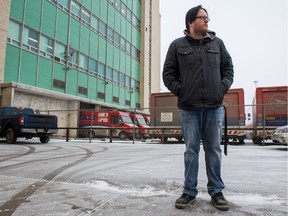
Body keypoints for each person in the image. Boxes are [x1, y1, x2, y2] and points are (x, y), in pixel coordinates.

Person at [162, 5, 234, 211]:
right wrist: (182, 91)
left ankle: (217, 192)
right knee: (191, 151)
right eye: (203, 17)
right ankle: (189, 192)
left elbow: (228, 68)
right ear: (191, 22)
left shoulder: (217, 44)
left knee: (213, 150)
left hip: (214, 107)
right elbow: (168, 74)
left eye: (207, 17)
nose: (207, 21)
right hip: (189, 108)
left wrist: (221, 88)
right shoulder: (177, 45)